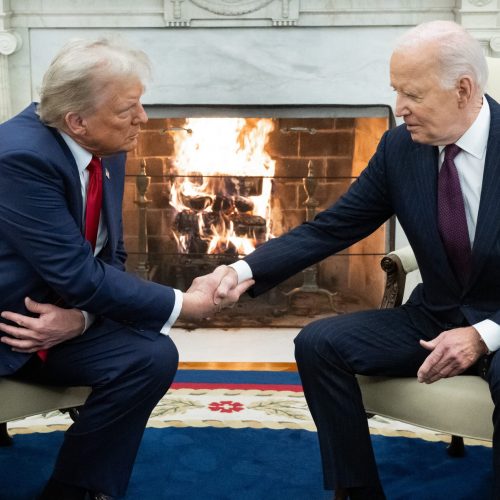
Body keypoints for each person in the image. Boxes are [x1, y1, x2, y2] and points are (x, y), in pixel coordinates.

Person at [213, 20, 499, 499]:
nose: (398, 108)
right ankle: (358, 490)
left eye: (412, 94)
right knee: (319, 343)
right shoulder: (399, 148)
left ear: (463, 90)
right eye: (395, 92)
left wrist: (481, 336)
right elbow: (334, 226)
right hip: (436, 313)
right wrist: (242, 271)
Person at [0, 38, 252, 500]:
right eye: (128, 109)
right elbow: (79, 275)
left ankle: (73, 488)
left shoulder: (105, 144)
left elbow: (108, 255)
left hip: (59, 316)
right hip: (10, 327)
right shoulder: (19, 158)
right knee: (153, 342)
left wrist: (81, 321)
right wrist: (185, 306)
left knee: (152, 356)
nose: (144, 119)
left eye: (140, 103)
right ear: (77, 120)